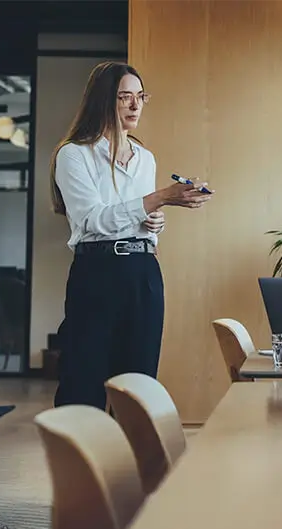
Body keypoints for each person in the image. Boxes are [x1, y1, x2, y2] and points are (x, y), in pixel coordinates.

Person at [50, 61, 214, 409]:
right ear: (103, 101)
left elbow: (139, 215)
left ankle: (129, 463)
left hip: (143, 274)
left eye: (141, 97)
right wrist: (159, 198)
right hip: (96, 274)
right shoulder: (74, 154)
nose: (135, 106)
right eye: (125, 97)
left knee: (139, 386)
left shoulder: (145, 158)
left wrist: (155, 223)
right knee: (83, 382)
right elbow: (93, 220)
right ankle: (82, 461)